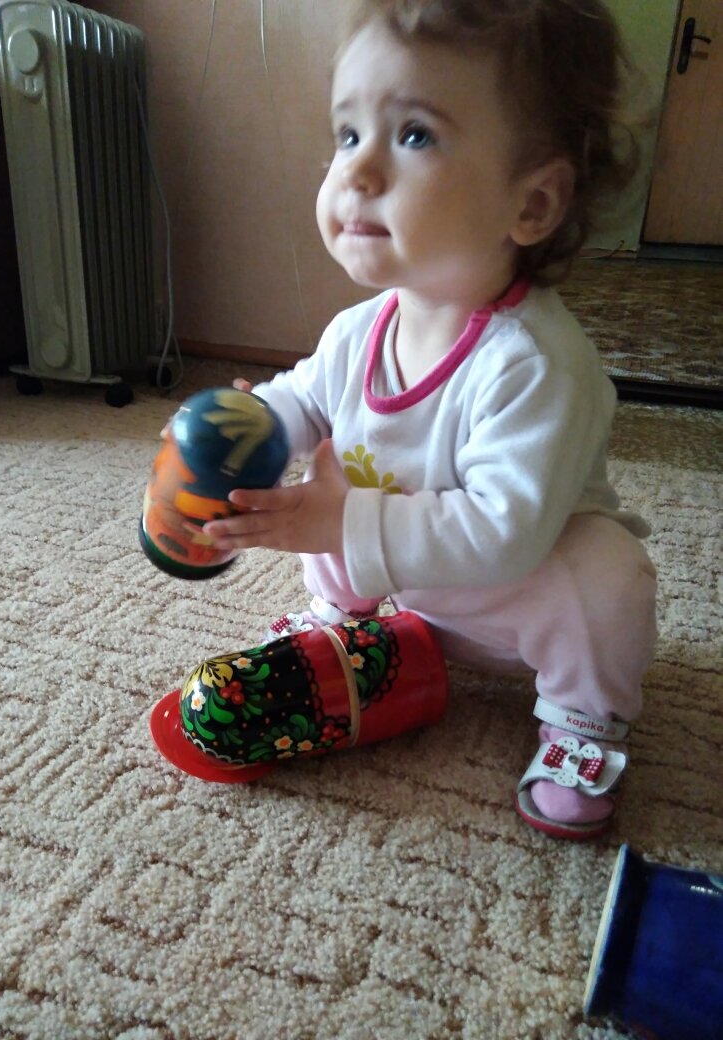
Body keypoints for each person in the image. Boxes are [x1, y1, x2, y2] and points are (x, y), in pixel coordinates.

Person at [203, 0, 657, 840]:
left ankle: (583, 722)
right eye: (348, 134)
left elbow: (504, 535)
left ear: (532, 203)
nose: (358, 170)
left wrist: (342, 524)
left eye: (414, 135)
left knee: (607, 573)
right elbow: (306, 399)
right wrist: (244, 426)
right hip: (398, 580)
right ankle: (341, 627)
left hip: (517, 603)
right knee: (329, 480)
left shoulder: (537, 363)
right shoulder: (360, 330)